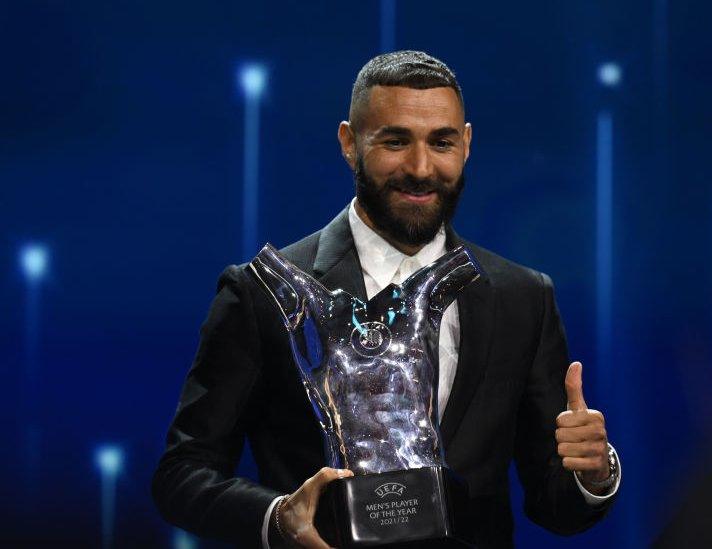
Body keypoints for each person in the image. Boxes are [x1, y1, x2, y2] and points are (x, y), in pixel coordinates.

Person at [153, 50, 620, 548]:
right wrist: (277, 517)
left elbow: (554, 507)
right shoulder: (264, 291)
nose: (420, 168)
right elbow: (183, 473)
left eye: (441, 142)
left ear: (465, 145)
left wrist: (591, 474)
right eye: (395, 141)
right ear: (349, 144)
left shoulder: (522, 296)